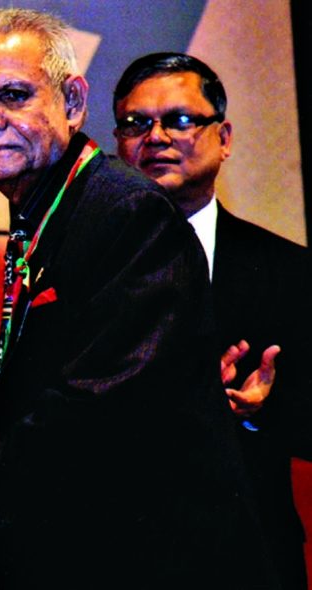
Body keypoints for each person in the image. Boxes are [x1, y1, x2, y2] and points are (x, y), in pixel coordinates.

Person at [0, 9, 278, 588]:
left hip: (148, 561)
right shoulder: (54, 209)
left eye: (14, 95)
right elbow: (92, 378)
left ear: (72, 101)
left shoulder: (125, 212)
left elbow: (106, 408)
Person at [113, 52, 312, 589]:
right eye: (136, 124)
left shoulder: (287, 270)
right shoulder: (77, 269)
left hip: (246, 557)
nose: (155, 137)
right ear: (117, 145)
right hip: (111, 556)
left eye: (179, 120)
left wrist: (261, 410)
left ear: (222, 138)